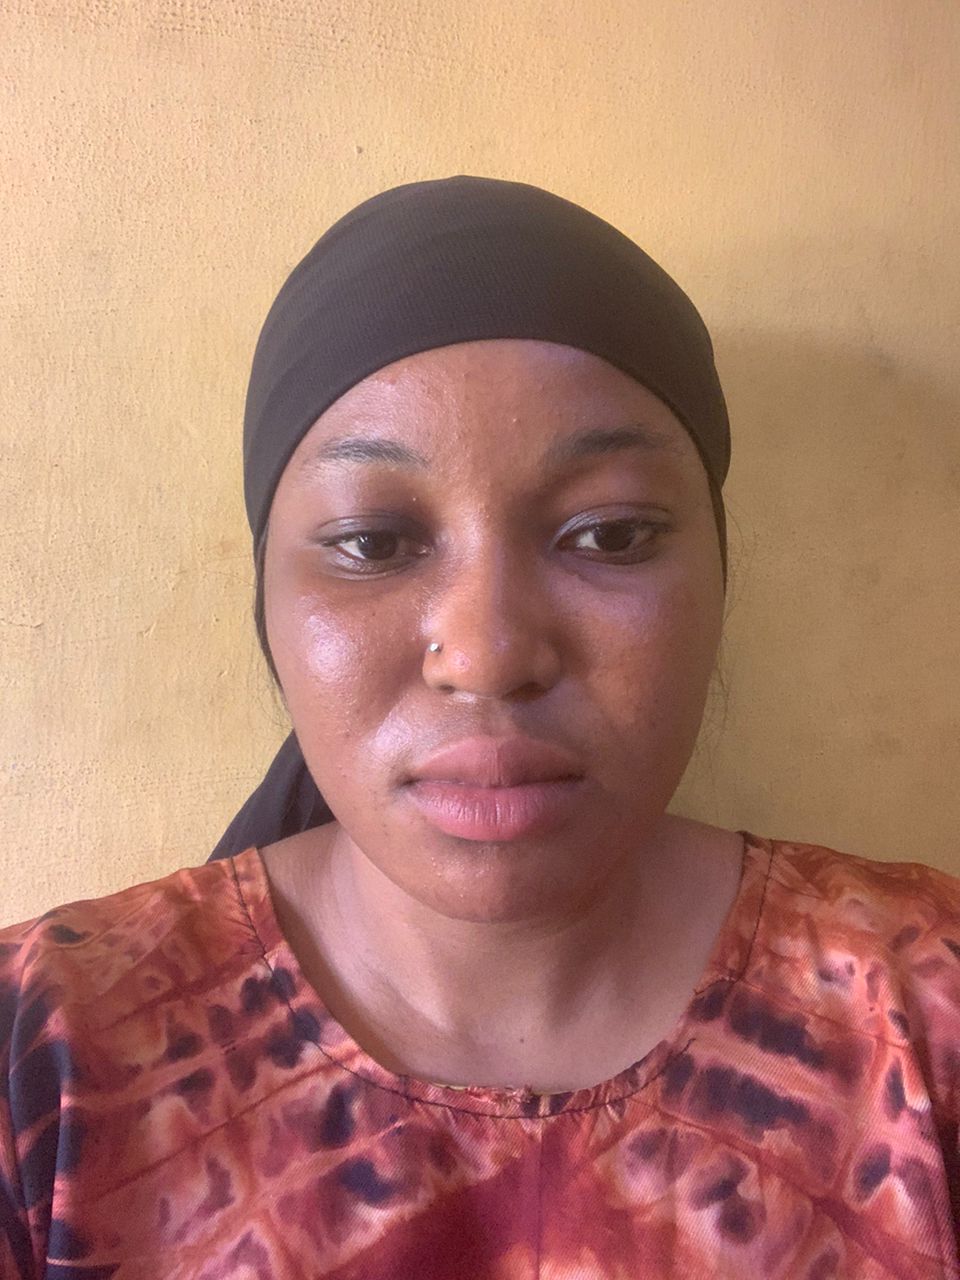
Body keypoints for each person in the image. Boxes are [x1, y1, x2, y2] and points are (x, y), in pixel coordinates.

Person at [1, 176, 958, 1280]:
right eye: (373, 543)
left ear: (721, 578)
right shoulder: (49, 1058)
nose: (491, 653)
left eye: (609, 533)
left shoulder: (926, 1012)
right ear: (266, 603)